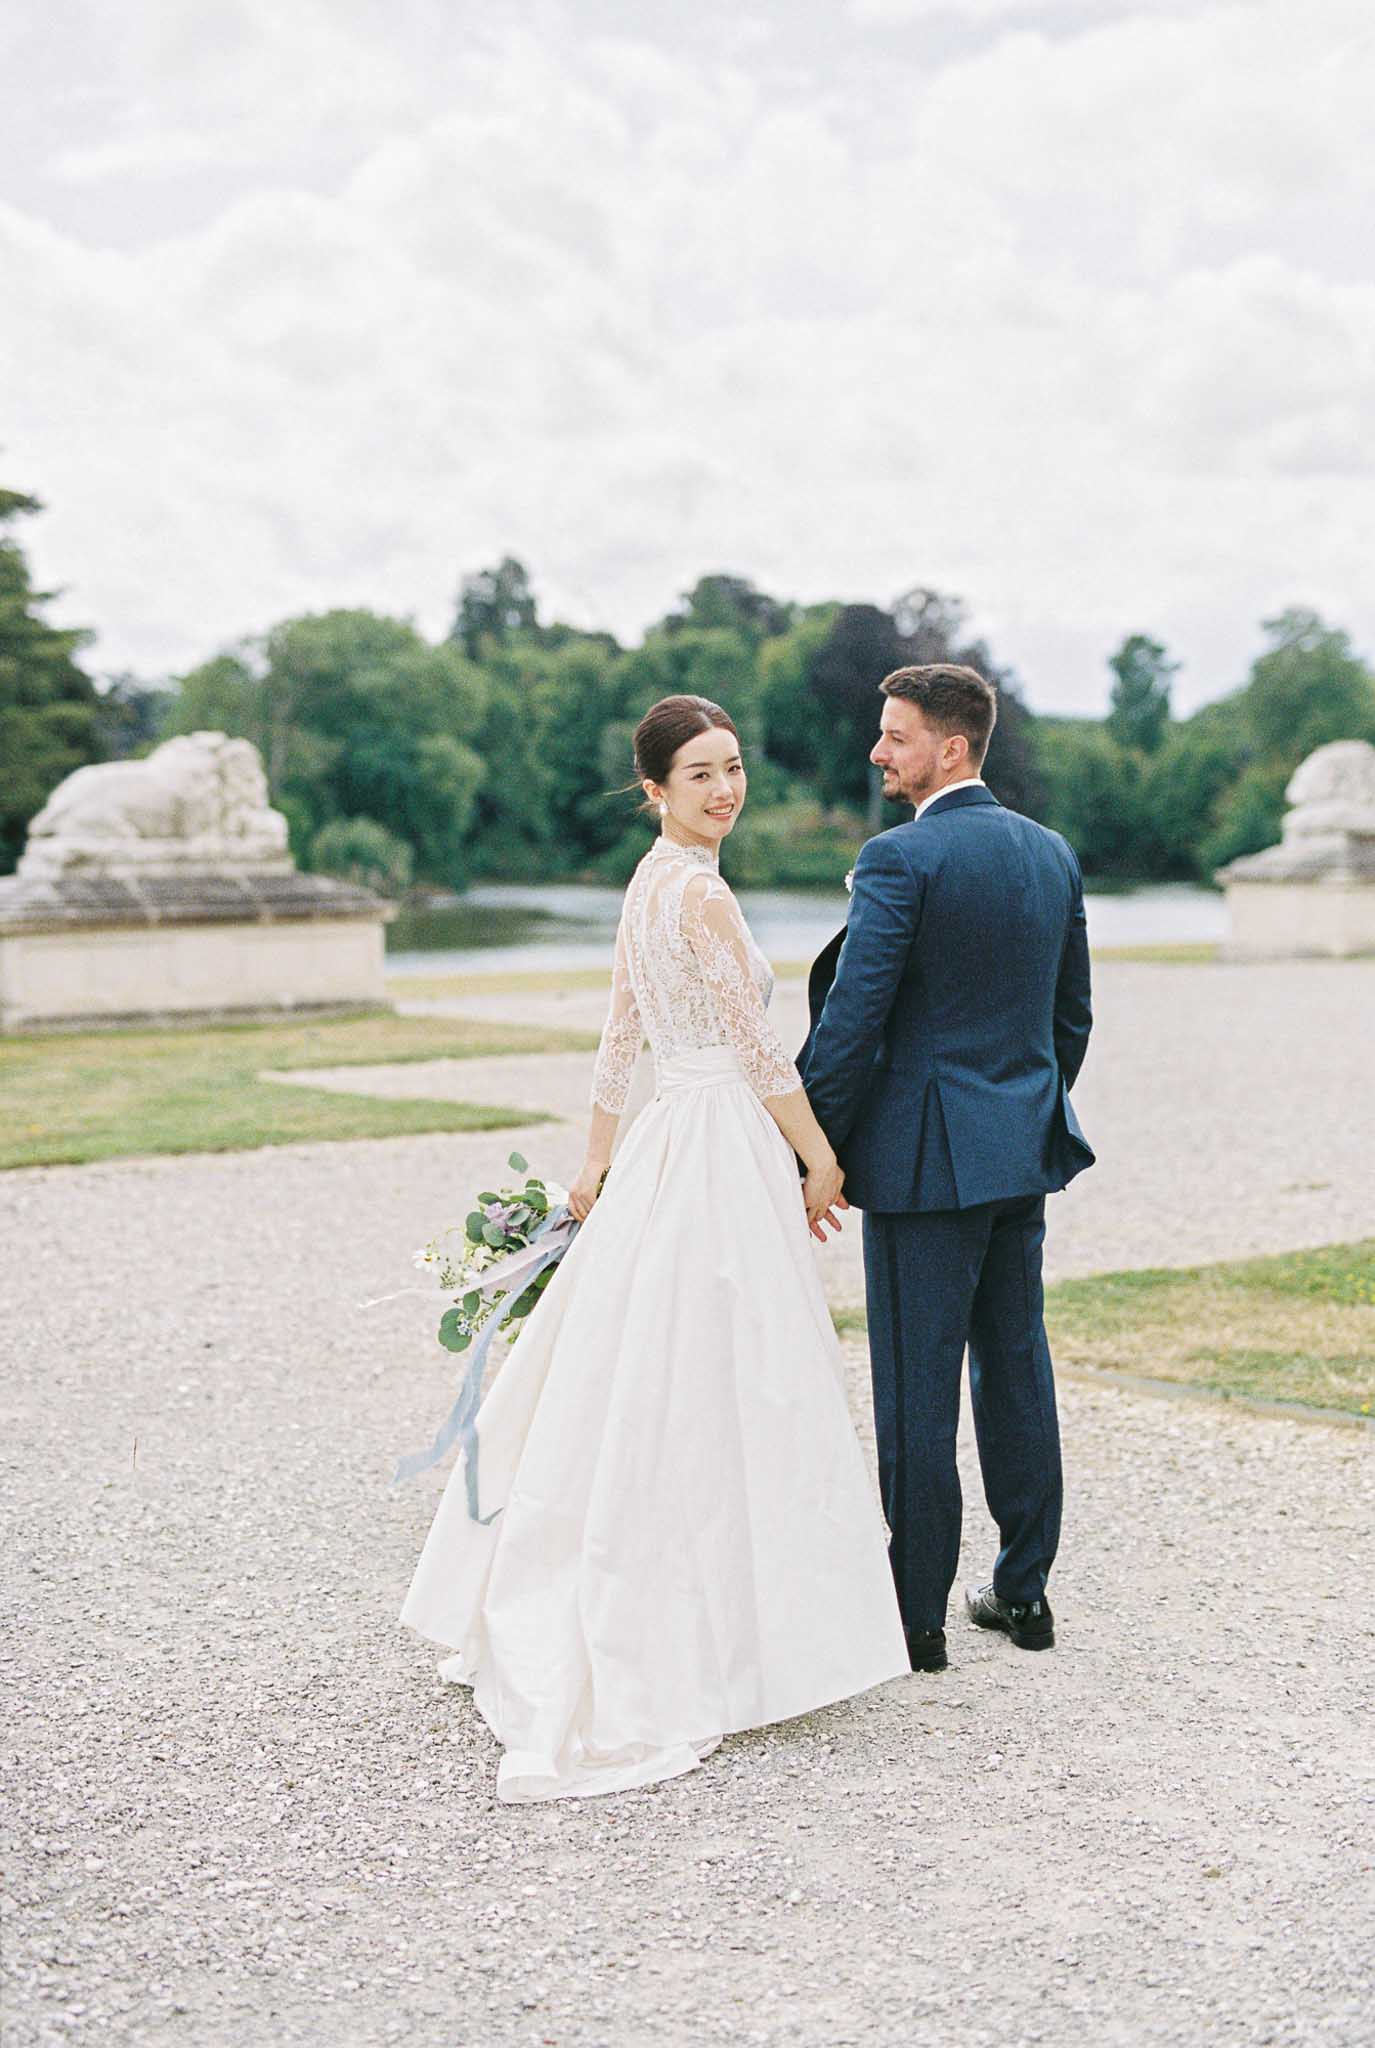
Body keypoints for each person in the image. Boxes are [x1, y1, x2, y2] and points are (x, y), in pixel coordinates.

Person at [400, 693, 908, 1802]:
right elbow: (758, 1052)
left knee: (648, 1359)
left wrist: (598, 1157)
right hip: (715, 1131)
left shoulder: (644, 880)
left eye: (732, 767)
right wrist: (821, 1160)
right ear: (655, 789)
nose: (725, 789)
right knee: (725, 1366)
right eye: (699, 775)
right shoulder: (703, 896)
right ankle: (726, 1630)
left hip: (674, 1132)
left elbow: (621, 1030)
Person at [800, 664, 1094, 1673]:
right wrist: (1022, 1112)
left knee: (916, 1390)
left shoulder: (899, 858)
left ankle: (915, 1615)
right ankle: (1024, 1591)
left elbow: (851, 1023)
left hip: (925, 1164)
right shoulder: (1049, 855)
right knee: (1015, 1365)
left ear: (952, 748)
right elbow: (1070, 1020)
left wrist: (814, 1148)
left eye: (895, 735)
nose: (878, 751)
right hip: (1019, 1152)